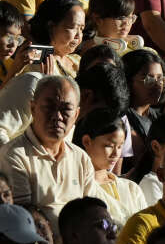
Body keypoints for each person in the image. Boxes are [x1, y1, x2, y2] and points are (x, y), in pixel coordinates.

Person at [0, 73, 98, 225]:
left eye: (66, 110)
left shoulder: (81, 158)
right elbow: (24, 218)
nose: (57, 116)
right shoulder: (14, 155)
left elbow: (92, 212)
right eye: (49, 107)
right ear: (33, 108)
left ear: (76, 114)